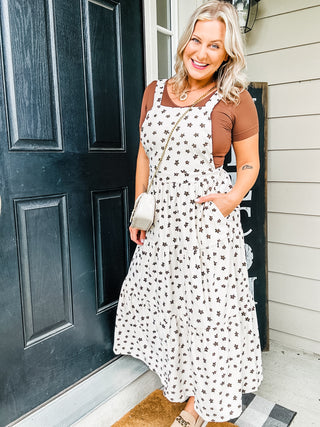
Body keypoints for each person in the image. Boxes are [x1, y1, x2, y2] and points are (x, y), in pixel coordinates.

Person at [113, 1, 263, 425]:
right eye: (196, 40)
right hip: (161, 226)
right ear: (184, 44)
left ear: (227, 53)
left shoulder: (236, 100)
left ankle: (199, 405)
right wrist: (140, 211)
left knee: (208, 318)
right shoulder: (154, 92)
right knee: (171, 310)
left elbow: (249, 164)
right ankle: (180, 382)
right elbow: (144, 156)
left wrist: (232, 198)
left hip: (206, 229)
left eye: (214, 45)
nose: (201, 52)